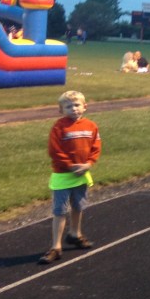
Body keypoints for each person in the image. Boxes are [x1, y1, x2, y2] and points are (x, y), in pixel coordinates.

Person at [39, 91, 101, 264]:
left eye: (76, 105)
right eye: (68, 106)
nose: (73, 109)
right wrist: (70, 165)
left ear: (84, 107)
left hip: (82, 174)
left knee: (78, 206)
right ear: (61, 110)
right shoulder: (59, 127)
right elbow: (54, 150)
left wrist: (89, 163)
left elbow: (96, 146)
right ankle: (56, 246)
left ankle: (75, 234)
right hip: (63, 175)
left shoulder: (91, 126)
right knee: (60, 211)